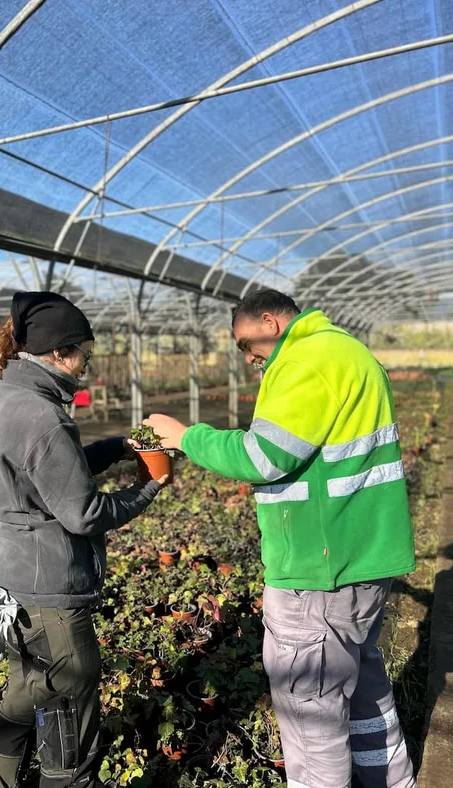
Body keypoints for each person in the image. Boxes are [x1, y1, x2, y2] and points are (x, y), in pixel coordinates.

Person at [144, 289, 416, 788]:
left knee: (310, 714)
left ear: (269, 322)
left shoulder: (305, 359)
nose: (249, 359)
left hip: (319, 569)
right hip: (364, 559)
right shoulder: (349, 352)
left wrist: (184, 437)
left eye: (248, 346)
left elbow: (263, 456)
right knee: (362, 688)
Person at [0, 291, 166, 788]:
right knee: (67, 716)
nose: (88, 362)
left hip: (15, 587)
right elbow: (83, 512)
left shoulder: (6, 400)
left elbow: (51, 474)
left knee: (23, 697)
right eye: (84, 351)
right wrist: (149, 487)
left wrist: (116, 448)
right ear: (60, 352)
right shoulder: (43, 416)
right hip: (51, 598)